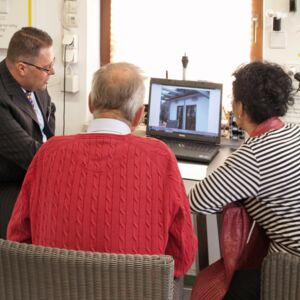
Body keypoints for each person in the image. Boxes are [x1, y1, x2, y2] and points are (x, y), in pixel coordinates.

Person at [7, 62, 197, 278]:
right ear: (138, 115)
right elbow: (182, 254)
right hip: (137, 290)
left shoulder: (48, 153)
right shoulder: (160, 157)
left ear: (90, 103)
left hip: (53, 288)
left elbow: (18, 238)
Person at [188, 61, 300, 299]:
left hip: (290, 268)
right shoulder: (293, 132)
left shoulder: (255, 154)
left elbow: (197, 201)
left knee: (218, 289)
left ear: (240, 107)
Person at [0, 27, 56, 239]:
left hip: (38, 171)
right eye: (47, 67)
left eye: (52, 64)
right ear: (22, 68)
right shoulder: (2, 97)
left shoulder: (36, 81)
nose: (52, 72)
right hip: (10, 182)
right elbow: (28, 152)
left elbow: (49, 117)